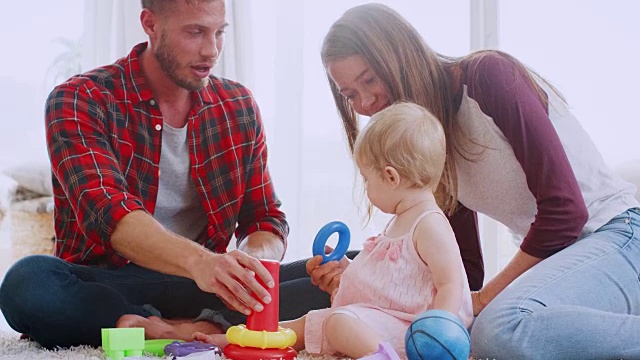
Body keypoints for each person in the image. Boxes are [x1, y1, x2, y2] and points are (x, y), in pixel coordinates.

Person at [306, 3, 640, 359]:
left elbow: (566, 211)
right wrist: (358, 280)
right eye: (350, 95)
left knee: (497, 330)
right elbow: (463, 268)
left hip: (616, 234)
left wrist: (482, 301)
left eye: (369, 79)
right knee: (477, 326)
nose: (366, 101)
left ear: (398, 54)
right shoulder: (425, 141)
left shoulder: (488, 76)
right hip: (559, 262)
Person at [0, 0, 327, 349]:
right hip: (113, 283)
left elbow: (263, 217)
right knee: (27, 283)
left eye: (219, 33)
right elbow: (112, 217)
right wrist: (203, 263)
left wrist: (252, 269)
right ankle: (174, 322)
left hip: (206, 288)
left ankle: (178, 326)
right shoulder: (80, 99)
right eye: (195, 32)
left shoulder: (238, 105)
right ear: (150, 24)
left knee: (351, 271)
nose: (211, 49)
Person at [194, 102, 473, 359]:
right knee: (314, 321)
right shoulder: (401, 220)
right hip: (389, 317)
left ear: (391, 177)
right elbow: (393, 280)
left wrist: (437, 334)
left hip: (415, 329)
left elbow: (450, 283)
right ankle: (243, 339)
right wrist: (347, 268)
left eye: (367, 180)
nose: (366, 188)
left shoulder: (429, 223)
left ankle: (383, 356)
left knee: (337, 322)